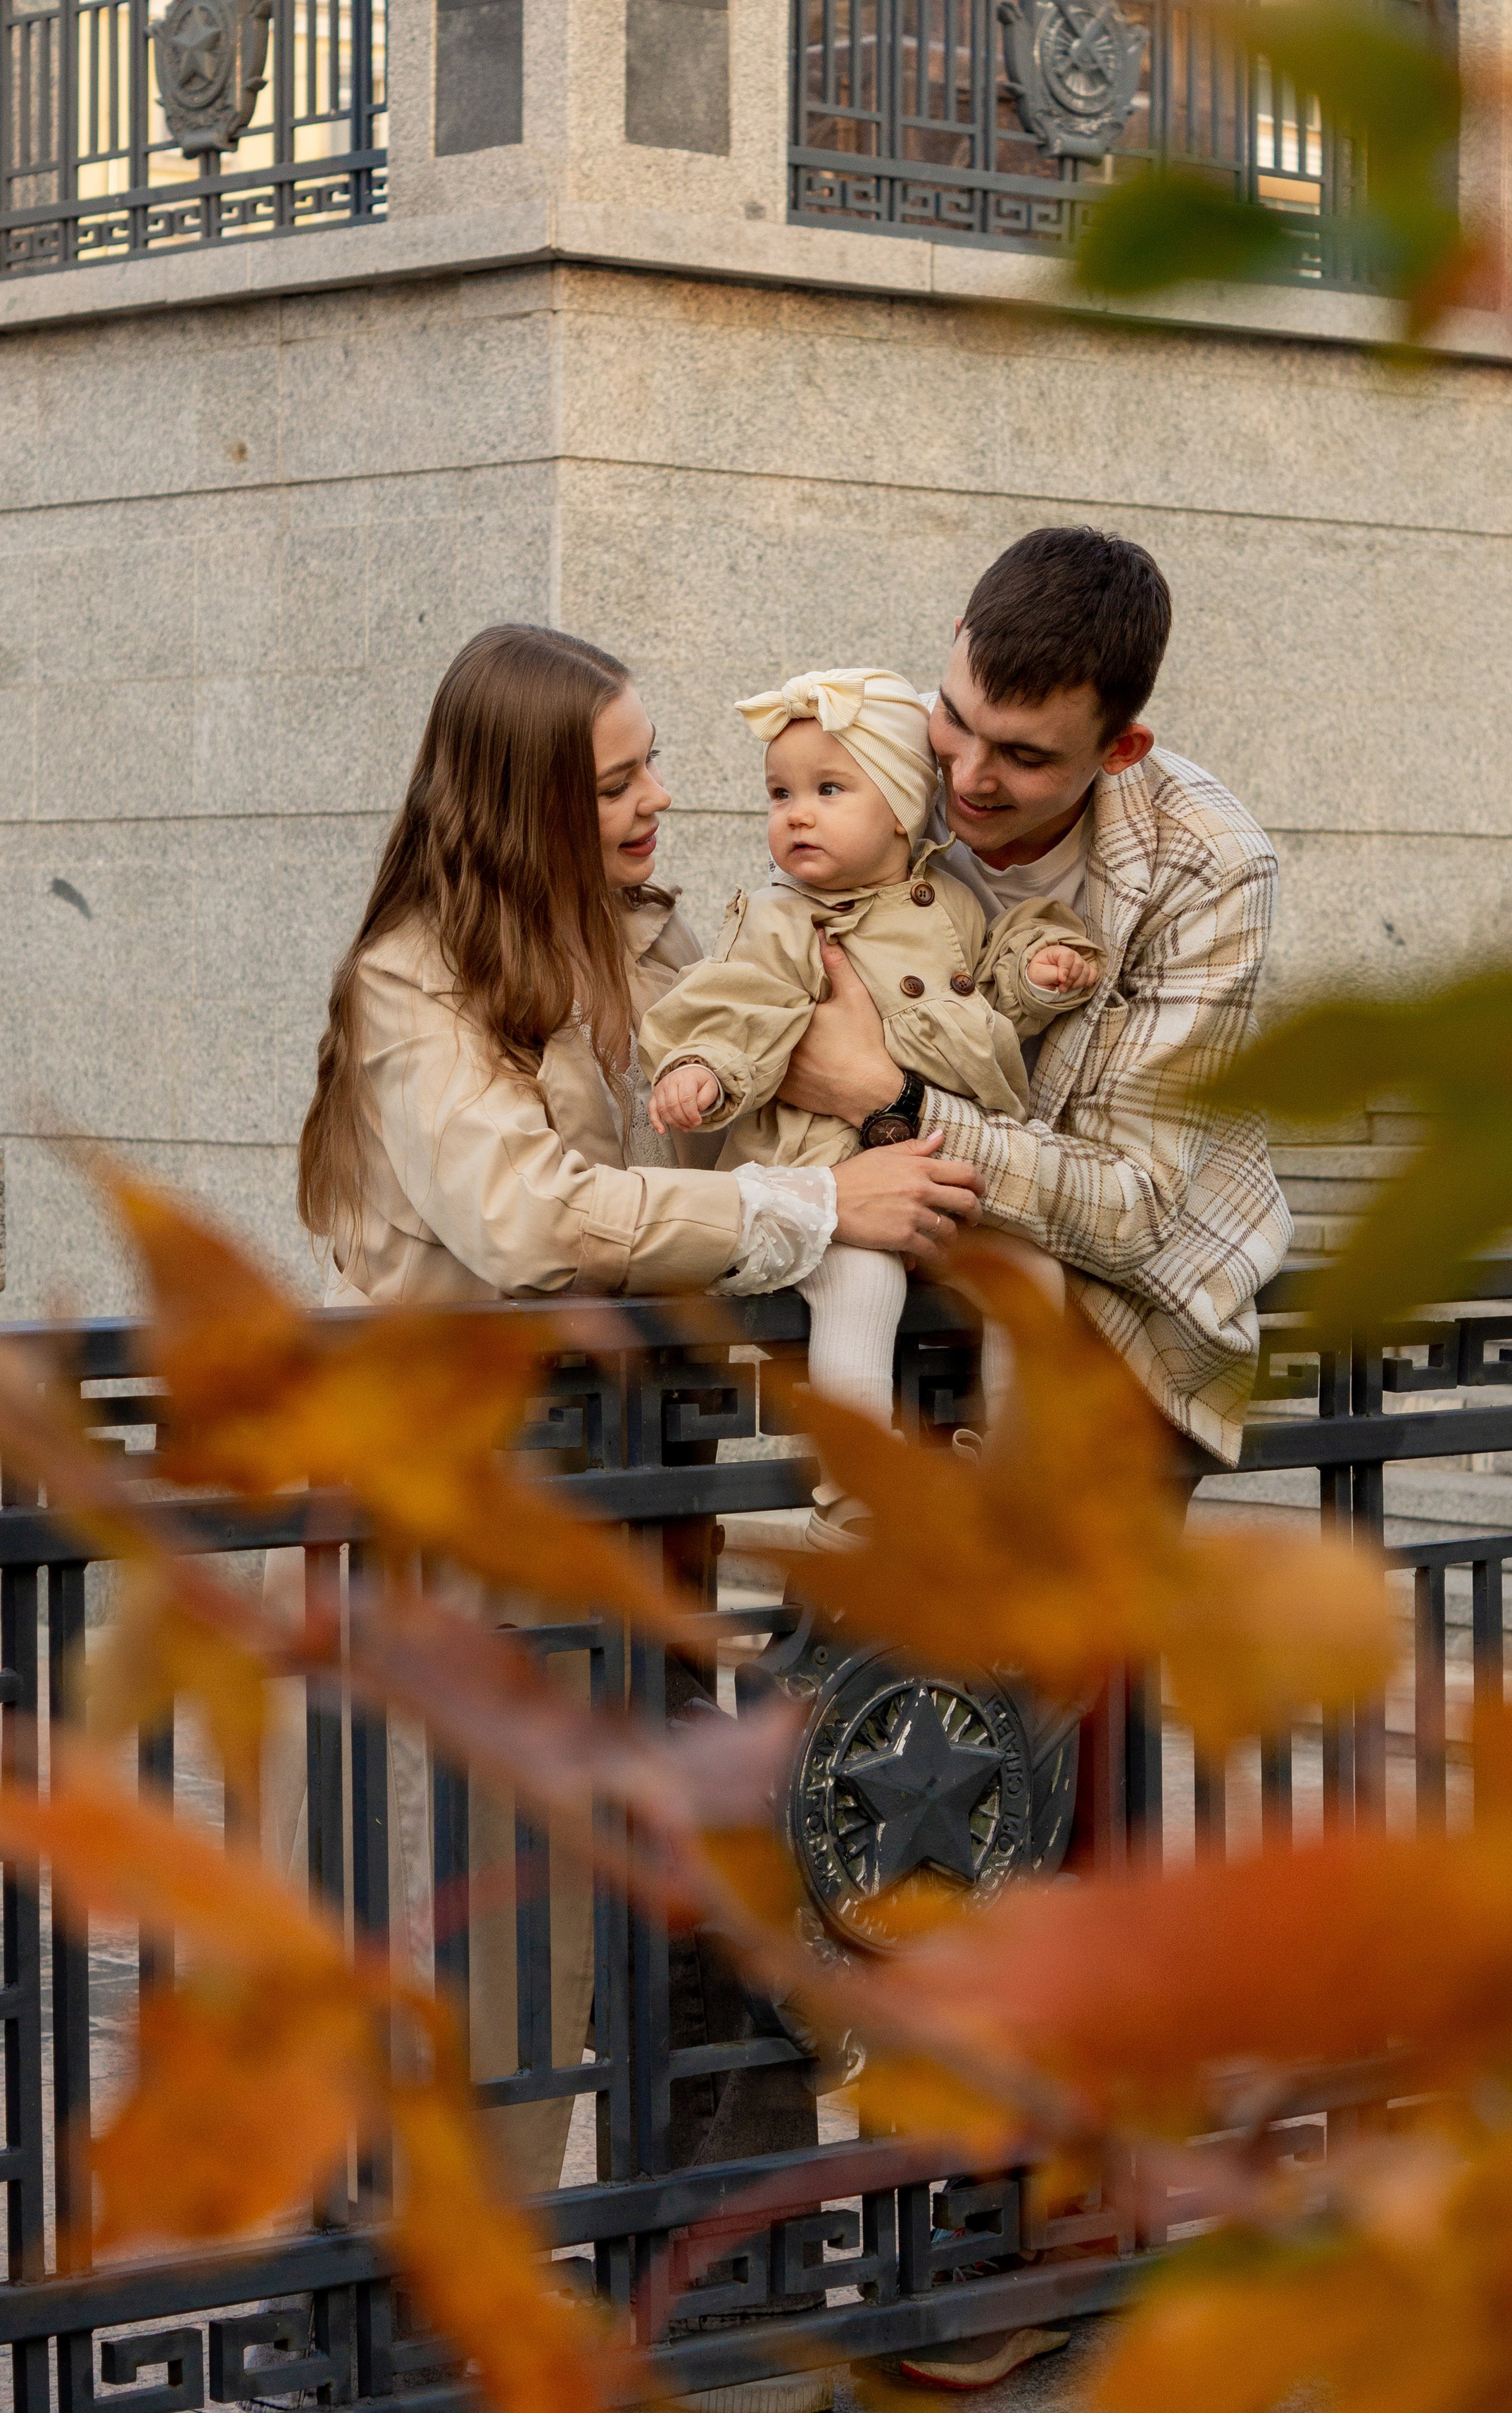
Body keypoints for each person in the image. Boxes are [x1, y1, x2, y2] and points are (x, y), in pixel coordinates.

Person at [282, 625, 981, 2325]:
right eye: (616, 781)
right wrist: (814, 1212)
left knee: (717, 1918)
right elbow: (523, 1221)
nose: (663, 801)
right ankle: (424, 2329)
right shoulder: (412, 979)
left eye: (658, 764)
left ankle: (712, 2305)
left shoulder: (658, 944)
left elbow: (762, 1102)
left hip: (646, 1502)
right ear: (525, 800)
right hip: (467, 1525)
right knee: (486, 1964)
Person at [771, 530, 1292, 2391]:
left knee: (1021, 1772)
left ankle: (1045, 2237)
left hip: (1128, 1337)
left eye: (1027, 759)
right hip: (938, 1318)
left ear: (1120, 751)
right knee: (870, 1755)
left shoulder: (1204, 867)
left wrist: (897, 1105)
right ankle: (881, 2202)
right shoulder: (901, 766)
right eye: (962, 725)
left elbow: (1135, 1194)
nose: (975, 782)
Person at [638, 667, 1097, 1506]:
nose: (795, 812)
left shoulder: (950, 902)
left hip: (938, 1172)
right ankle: (859, 1485)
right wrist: (704, 1068)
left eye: (827, 788)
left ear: (898, 806)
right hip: (824, 1177)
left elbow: (990, 984)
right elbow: (733, 1002)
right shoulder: (781, 919)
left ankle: (1014, 1463)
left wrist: (1040, 970)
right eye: (778, 793)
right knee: (861, 1284)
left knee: (1028, 1274)